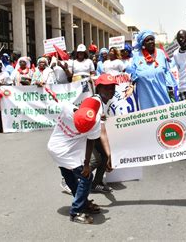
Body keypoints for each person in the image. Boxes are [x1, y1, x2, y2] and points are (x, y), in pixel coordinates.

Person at [47, 86, 115, 224]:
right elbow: (52, 98)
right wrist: (86, 167)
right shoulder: (66, 108)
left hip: (61, 149)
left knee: (69, 174)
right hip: (60, 149)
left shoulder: (94, 121)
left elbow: (91, 142)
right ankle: (76, 211)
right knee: (87, 177)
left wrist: (86, 164)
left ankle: (82, 202)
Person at [126, 30, 174, 110]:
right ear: (143, 43)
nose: (151, 41)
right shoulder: (137, 55)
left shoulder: (161, 53)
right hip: (146, 92)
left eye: (152, 39)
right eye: (147, 40)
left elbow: (167, 71)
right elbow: (134, 73)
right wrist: (131, 86)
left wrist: (170, 88)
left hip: (161, 90)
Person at [172, 30, 186, 101]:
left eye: (182, 37)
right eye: (178, 38)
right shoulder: (175, 54)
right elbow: (179, 69)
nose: (180, 40)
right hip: (182, 88)